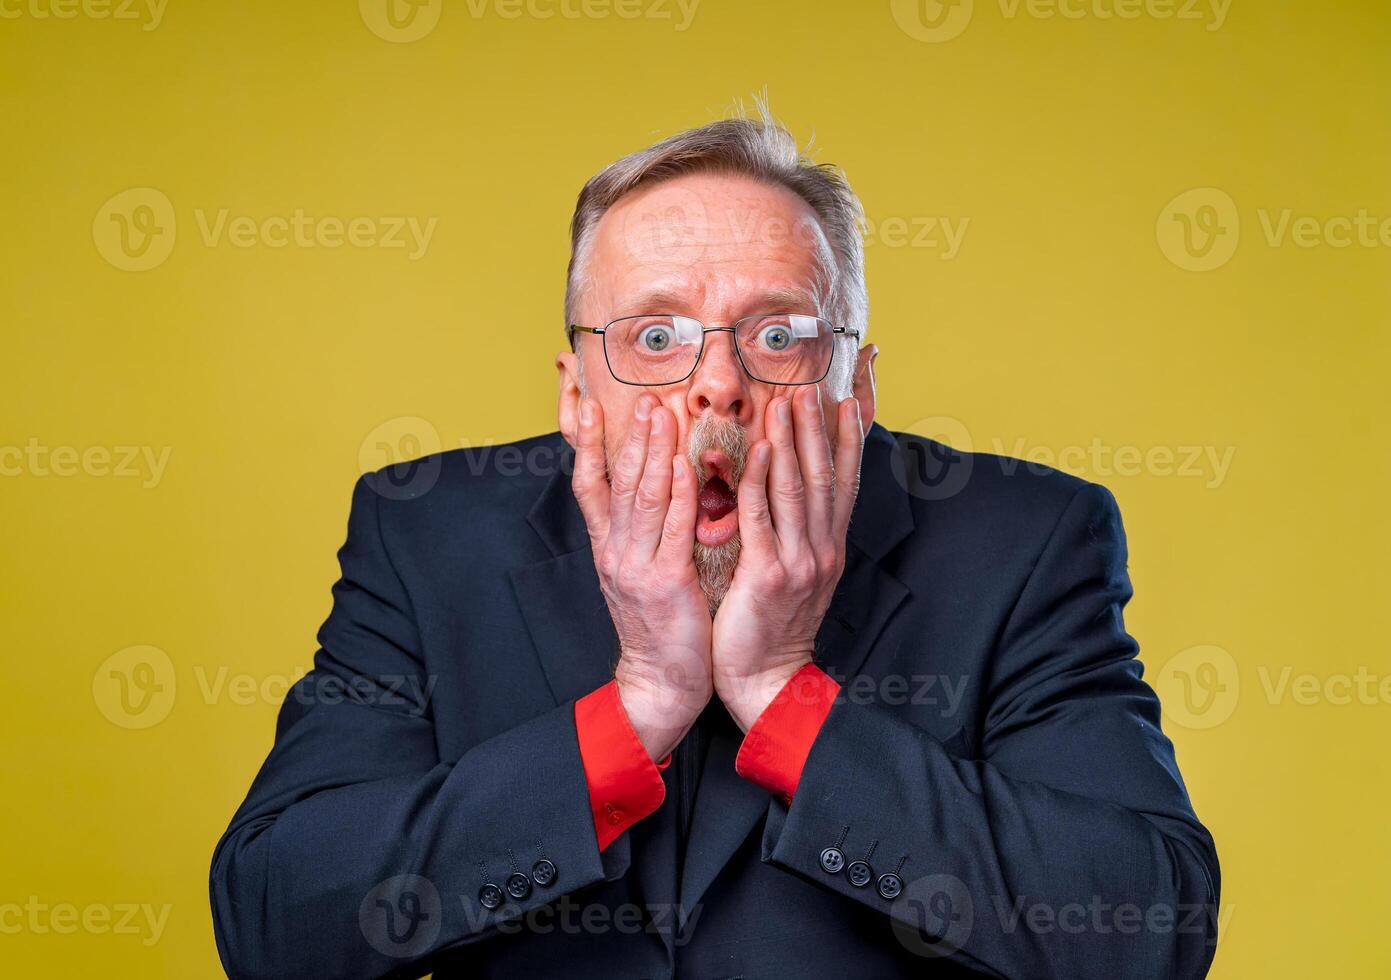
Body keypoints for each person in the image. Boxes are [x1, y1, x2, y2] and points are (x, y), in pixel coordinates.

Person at [210, 108, 1220, 979]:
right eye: (654, 336)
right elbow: (277, 921)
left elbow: (1146, 928)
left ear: (855, 390)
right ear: (574, 393)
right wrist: (636, 707)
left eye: (777, 333)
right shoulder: (427, 532)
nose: (717, 383)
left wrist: (785, 694)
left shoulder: (1025, 540)